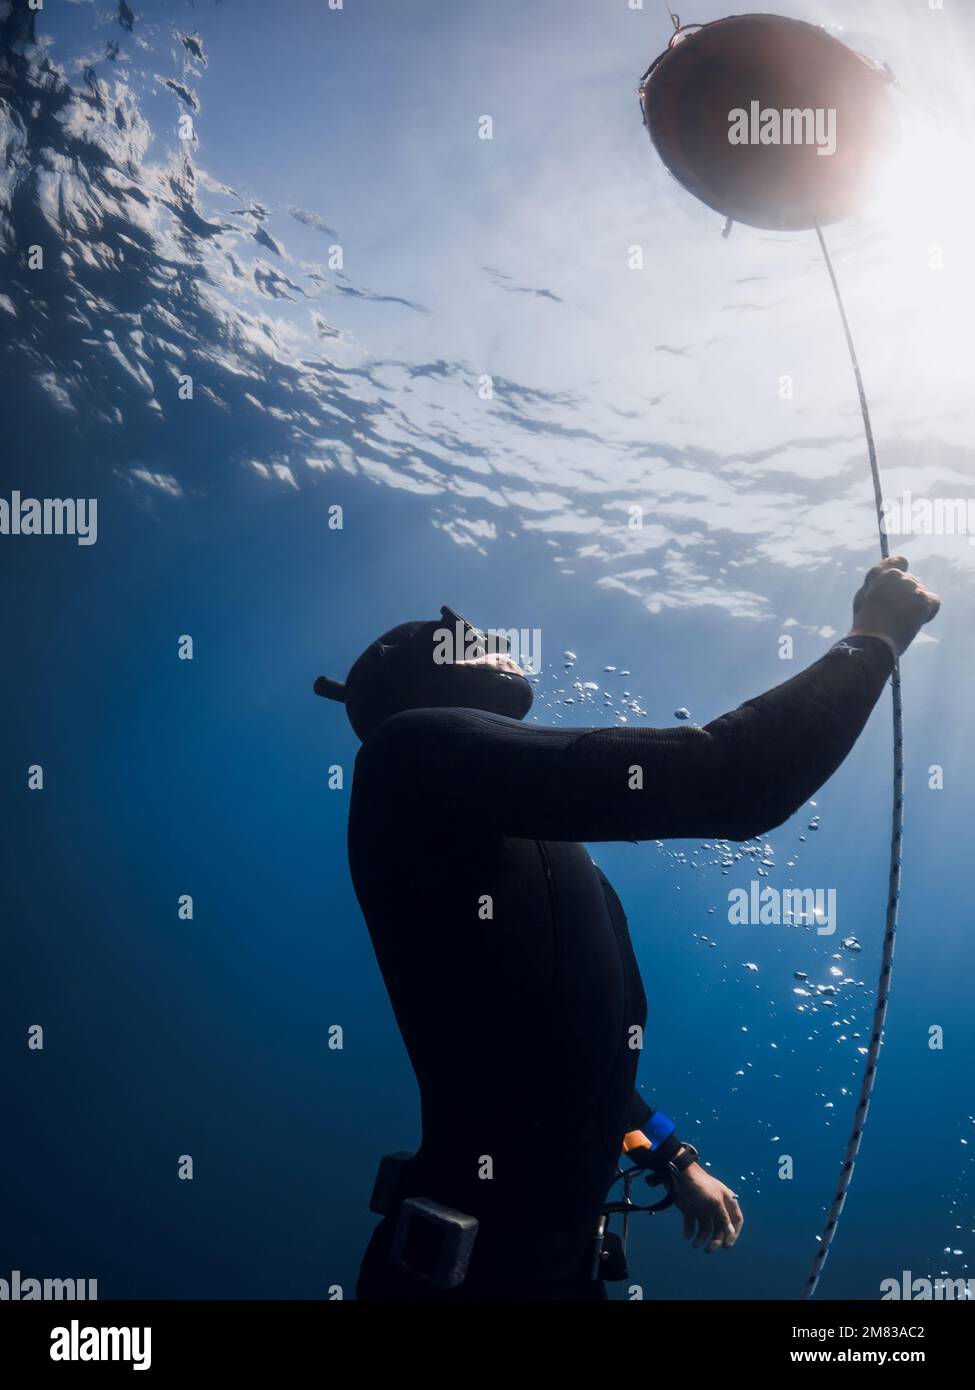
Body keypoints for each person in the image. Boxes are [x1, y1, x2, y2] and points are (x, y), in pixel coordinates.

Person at [315, 556, 940, 1300]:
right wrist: (870, 638)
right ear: (405, 670)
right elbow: (736, 779)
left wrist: (672, 1159)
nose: (487, 638)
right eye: (456, 637)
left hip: (547, 1270)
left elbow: (588, 1057)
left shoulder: (530, 835)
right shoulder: (406, 752)